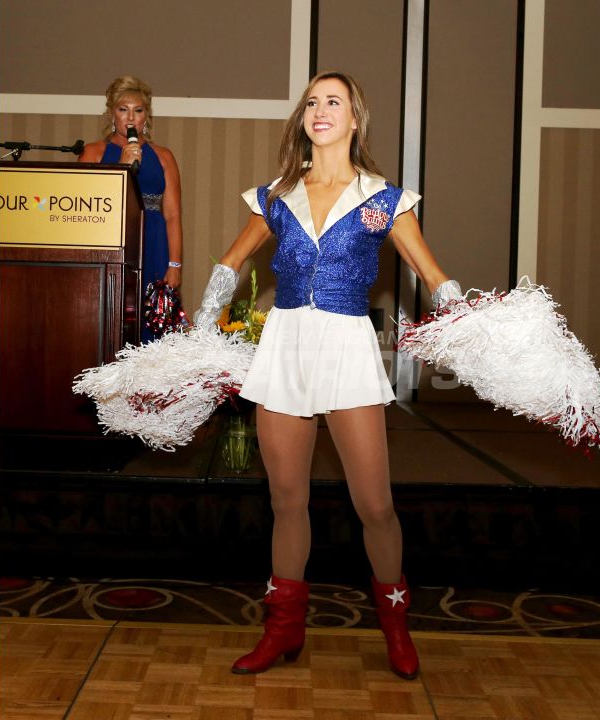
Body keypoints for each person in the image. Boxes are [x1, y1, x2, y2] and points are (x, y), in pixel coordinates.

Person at [193, 71, 461, 680]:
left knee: (375, 506)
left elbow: (432, 276)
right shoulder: (276, 195)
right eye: (311, 102)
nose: (319, 110)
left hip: (347, 349)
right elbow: (229, 264)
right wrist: (197, 330)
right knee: (287, 500)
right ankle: (283, 628)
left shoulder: (382, 199)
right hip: (284, 346)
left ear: (355, 119)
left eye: (332, 101)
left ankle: (395, 622)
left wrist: (478, 327)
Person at [80, 75, 184, 343]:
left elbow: (172, 215)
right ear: (111, 114)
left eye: (138, 111)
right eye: (123, 109)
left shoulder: (163, 156)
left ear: (146, 117)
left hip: (154, 242)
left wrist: (174, 264)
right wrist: (122, 167)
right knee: (112, 323)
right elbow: (87, 208)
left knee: (156, 327)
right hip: (110, 244)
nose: (130, 118)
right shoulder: (94, 153)